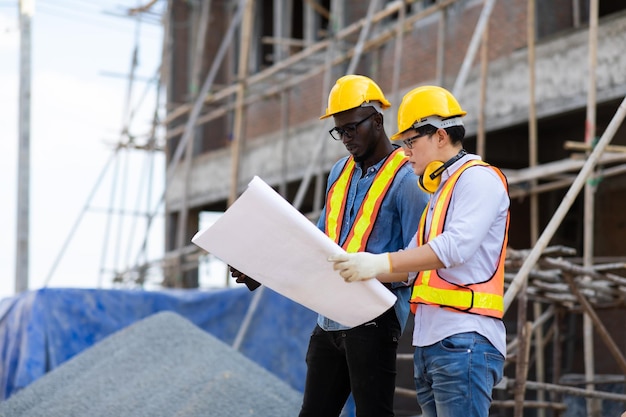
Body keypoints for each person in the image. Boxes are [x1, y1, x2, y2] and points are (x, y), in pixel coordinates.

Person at [231, 74, 429, 417]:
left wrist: (374, 272)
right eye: (340, 131)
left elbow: (419, 261)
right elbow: (319, 246)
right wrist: (261, 271)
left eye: (352, 128)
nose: (346, 138)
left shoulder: (408, 179)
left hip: (373, 319)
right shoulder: (339, 172)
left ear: (377, 120)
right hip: (329, 319)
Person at [329, 85, 510, 417]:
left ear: (440, 136)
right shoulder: (440, 193)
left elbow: (454, 247)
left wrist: (379, 261)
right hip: (432, 343)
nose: (406, 151)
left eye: (411, 141)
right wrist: (354, 265)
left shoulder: (478, 180)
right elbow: (411, 266)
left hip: (465, 339)